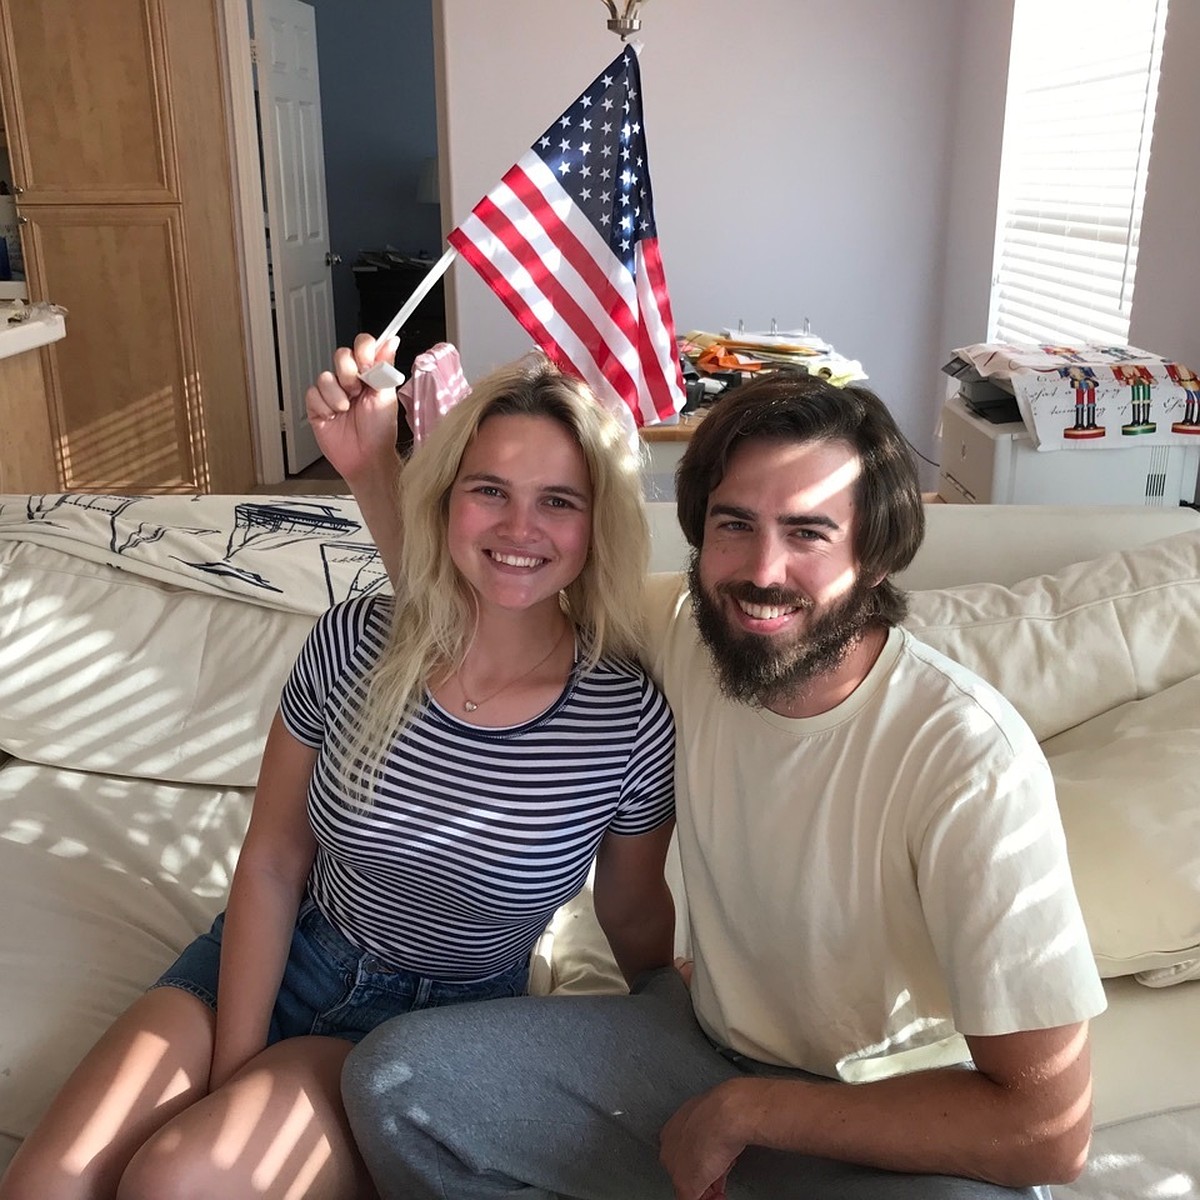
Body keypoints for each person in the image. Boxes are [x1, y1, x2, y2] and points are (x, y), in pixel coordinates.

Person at [321, 335, 1108, 1200]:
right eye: (734, 525)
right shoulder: (686, 633)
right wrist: (373, 471)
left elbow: (1049, 1129)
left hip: (889, 1119)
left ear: (876, 554)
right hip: (697, 1052)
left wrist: (752, 1113)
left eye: (808, 532)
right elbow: (488, 596)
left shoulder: (969, 761)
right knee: (399, 1085)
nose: (762, 572)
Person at [0, 350, 676, 1200]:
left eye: (558, 501)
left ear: (597, 522)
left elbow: (633, 911)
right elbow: (274, 858)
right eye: (490, 490)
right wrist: (236, 1067)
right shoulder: (354, 640)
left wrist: (673, 1024)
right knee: (44, 1185)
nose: (519, 527)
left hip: (431, 1028)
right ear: (446, 498)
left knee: (176, 1180)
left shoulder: (625, 719)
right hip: (282, 955)